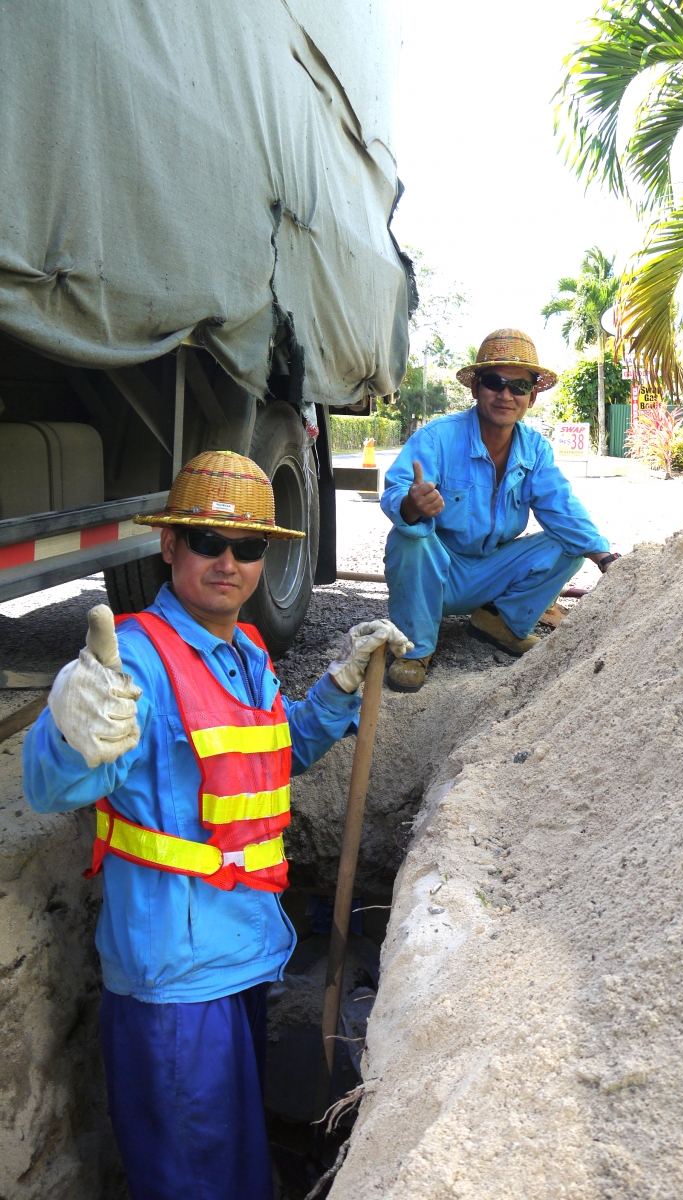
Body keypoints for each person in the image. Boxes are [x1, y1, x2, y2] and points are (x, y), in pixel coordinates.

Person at [21, 450, 411, 1200]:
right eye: (207, 541)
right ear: (170, 546)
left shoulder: (245, 650)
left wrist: (334, 689)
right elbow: (56, 782)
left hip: (240, 956)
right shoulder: (131, 661)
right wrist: (67, 726)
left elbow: (265, 760)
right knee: (193, 1182)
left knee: (232, 1165)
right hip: (172, 984)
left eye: (250, 547)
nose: (228, 561)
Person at [381, 328, 618, 692]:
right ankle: (415, 648)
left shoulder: (536, 450)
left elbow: (562, 507)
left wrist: (604, 557)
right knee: (407, 537)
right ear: (476, 387)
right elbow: (397, 491)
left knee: (569, 543)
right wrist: (412, 505)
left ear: (532, 396)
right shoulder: (437, 438)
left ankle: (499, 623)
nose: (506, 394)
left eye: (519, 386)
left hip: (491, 571)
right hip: (438, 573)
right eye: (495, 382)